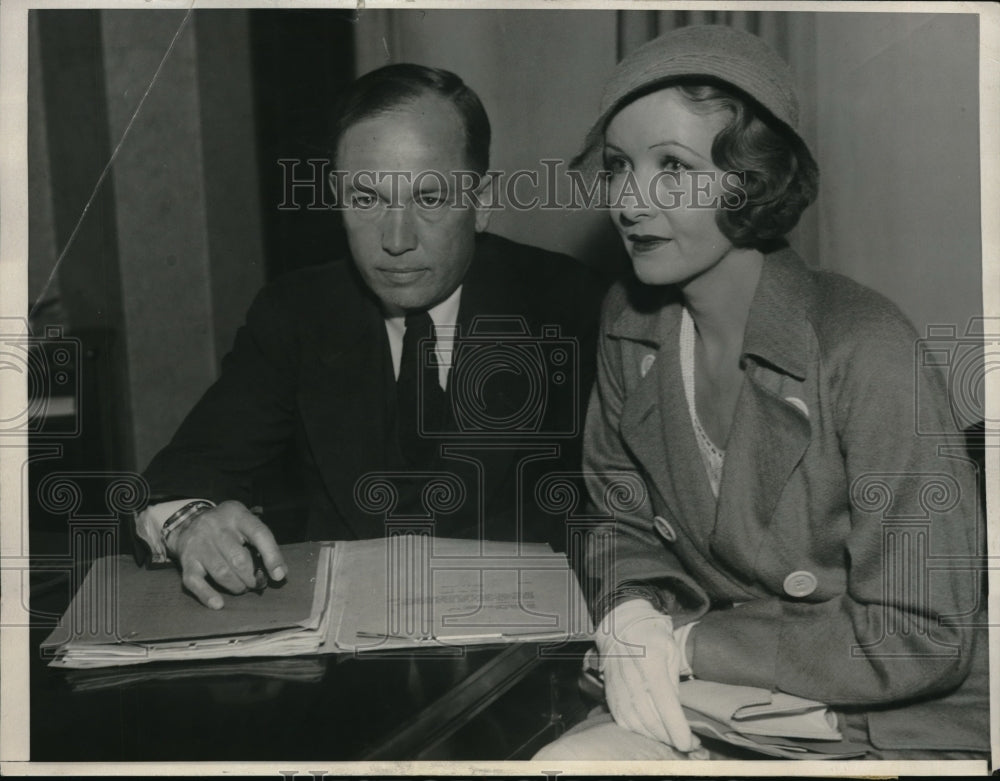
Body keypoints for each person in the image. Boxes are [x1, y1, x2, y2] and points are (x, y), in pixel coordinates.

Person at [534, 25, 987, 760]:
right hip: (729, 702)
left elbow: (922, 634)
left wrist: (690, 641)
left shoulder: (865, 347)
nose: (630, 200)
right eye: (620, 166)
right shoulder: (629, 322)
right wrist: (628, 611)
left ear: (752, 179)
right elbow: (614, 519)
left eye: (672, 168)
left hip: (892, 718)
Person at [133, 64, 606, 610]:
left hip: (516, 658)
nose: (396, 240)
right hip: (346, 664)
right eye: (365, 199)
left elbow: (630, 517)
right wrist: (192, 525)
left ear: (484, 201)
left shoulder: (568, 305)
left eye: (429, 199)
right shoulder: (295, 314)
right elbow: (176, 481)